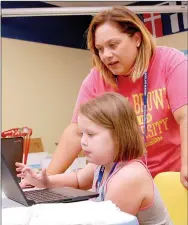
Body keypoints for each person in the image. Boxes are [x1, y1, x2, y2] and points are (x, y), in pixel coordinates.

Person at [29, 6, 188, 188]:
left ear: (136, 39)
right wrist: (44, 179)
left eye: (113, 45)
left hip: (171, 180)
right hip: (124, 182)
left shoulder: (169, 61)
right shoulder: (96, 78)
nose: (106, 55)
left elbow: (185, 115)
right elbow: (75, 132)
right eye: (100, 49)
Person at [16, 93, 172, 224]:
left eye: (90, 134)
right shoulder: (104, 164)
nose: (83, 141)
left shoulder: (128, 177)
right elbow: (78, 179)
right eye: (82, 133)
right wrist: (45, 182)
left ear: (119, 136)